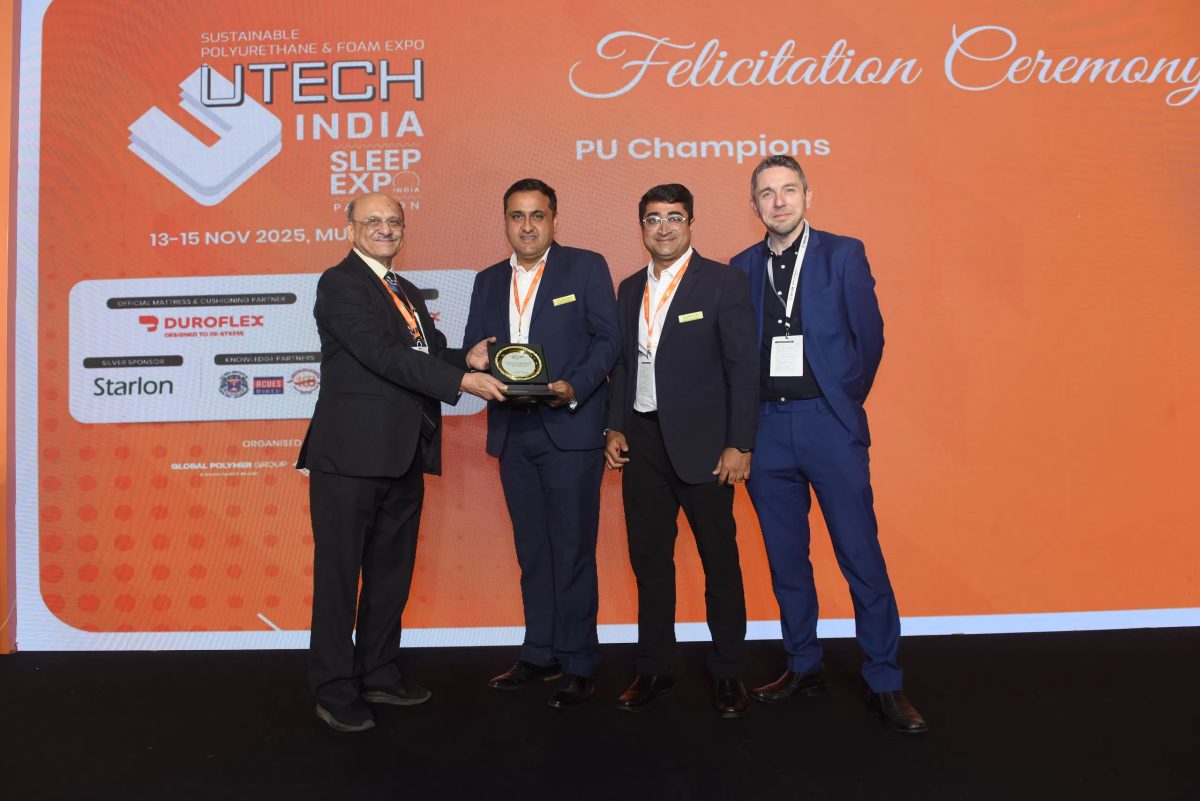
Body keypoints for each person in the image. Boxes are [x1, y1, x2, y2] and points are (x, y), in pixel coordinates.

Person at [729, 156, 927, 733]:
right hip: (767, 430)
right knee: (786, 558)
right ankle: (803, 665)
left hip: (828, 425)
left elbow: (871, 337)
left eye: (788, 190)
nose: (779, 201)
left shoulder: (843, 254)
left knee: (859, 555)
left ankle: (885, 679)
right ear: (754, 205)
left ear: (807, 196)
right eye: (767, 193)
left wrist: (841, 401)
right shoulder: (740, 267)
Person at [297, 193, 507, 732]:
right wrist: (461, 380)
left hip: (405, 452)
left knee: (390, 574)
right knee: (340, 577)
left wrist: (466, 358)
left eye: (394, 221)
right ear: (351, 230)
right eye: (373, 221)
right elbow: (381, 355)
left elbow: (425, 352)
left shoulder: (404, 290)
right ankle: (333, 687)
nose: (385, 229)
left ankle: (377, 672)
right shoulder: (340, 283)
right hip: (349, 458)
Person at [604, 183, 759, 717]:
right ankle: (654, 668)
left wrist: (740, 443)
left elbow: (743, 368)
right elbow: (623, 364)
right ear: (641, 227)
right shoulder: (628, 288)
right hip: (642, 442)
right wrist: (614, 427)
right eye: (653, 218)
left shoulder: (722, 281)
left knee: (720, 561)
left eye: (674, 217)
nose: (663, 227)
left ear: (691, 223)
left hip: (707, 446)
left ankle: (729, 672)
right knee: (649, 561)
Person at [463, 179, 619, 708]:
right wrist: (471, 357)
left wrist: (574, 387)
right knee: (532, 550)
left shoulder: (585, 267)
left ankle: (579, 660)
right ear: (505, 222)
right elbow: (474, 349)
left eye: (537, 215)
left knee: (572, 550)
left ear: (554, 219)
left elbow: (609, 340)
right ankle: (539, 651)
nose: (527, 226)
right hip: (513, 431)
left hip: (569, 427)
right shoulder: (487, 280)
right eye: (517, 216)